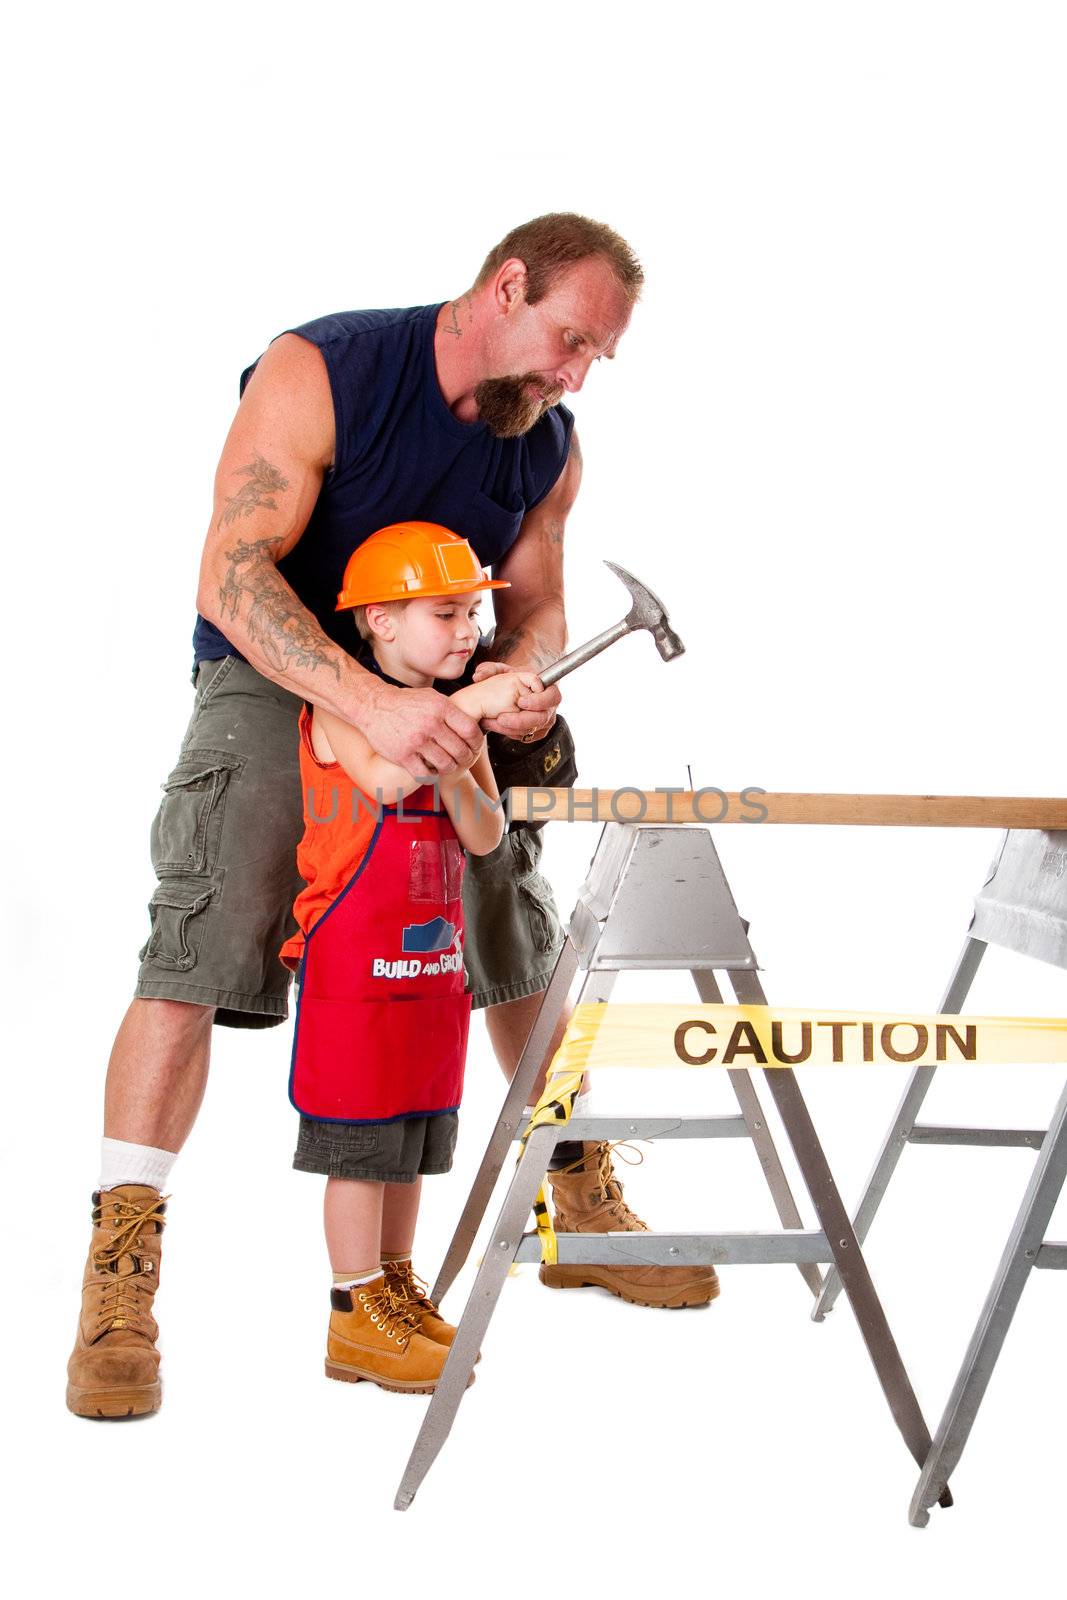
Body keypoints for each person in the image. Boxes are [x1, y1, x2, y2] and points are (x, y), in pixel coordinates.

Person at [67, 211, 716, 1423]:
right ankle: (121, 1272)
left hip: (431, 690)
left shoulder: (548, 445)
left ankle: (568, 1187)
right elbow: (233, 570)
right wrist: (367, 703)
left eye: (594, 361)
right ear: (504, 287)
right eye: (569, 340)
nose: (575, 375)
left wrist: (513, 684)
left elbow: (533, 603)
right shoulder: (324, 370)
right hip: (276, 674)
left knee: (509, 907)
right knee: (205, 928)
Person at [281, 522, 538, 1391]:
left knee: (417, 1135)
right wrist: (465, 708)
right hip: (353, 970)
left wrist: (468, 752)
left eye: (472, 613)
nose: (468, 632)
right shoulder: (337, 709)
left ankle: (396, 1285)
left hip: (429, 970)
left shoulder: (454, 718)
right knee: (360, 1138)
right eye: (446, 612)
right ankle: (354, 1312)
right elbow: (387, 782)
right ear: (380, 624)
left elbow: (485, 830)